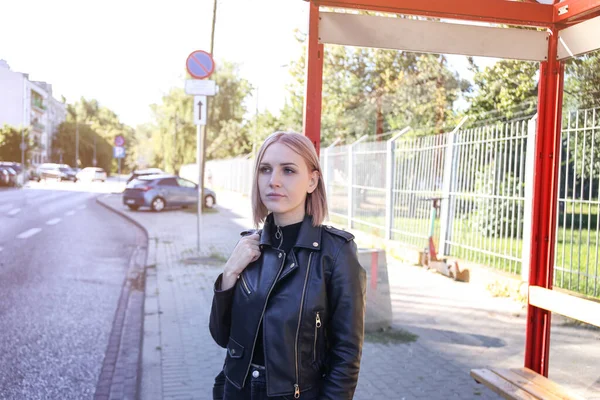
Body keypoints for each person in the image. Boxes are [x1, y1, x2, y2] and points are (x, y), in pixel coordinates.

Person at [210, 131, 367, 400]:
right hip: (237, 391)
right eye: (265, 169)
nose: (274, 181)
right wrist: (229, 273)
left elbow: (346, 357)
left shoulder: (337, 253)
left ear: (312, 180)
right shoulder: (249, 248)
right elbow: (222, 336)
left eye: (289, 170)